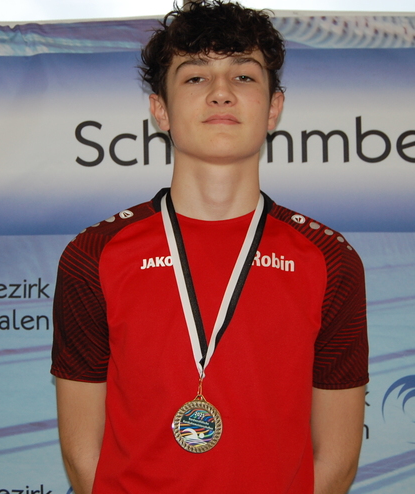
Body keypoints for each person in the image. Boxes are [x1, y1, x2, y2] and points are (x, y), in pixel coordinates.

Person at [51, 1, 369, 493]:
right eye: (196, 77)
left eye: (243, 76)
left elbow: (337, 459)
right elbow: (81, 453)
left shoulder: (330, 260)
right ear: (160, 109)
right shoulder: (93, 255)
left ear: (274, 107)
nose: (221, 92)